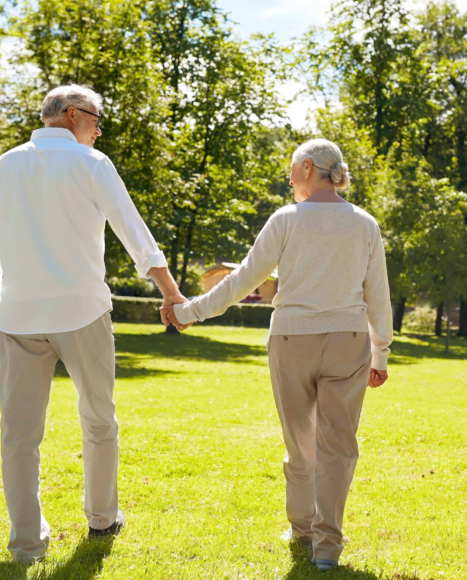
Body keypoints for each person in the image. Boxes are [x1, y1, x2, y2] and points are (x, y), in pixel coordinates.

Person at [0, 84, 186, 564]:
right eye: (95, 118)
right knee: (98, 419)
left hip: (20, 315)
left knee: (18, 433)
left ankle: (26, 545)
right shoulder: (93, 164)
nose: (98, 128)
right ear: (71, 114)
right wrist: (171, 293)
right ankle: (101, 519)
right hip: (82, 312)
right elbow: (134, 232)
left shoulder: (3, 165)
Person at [163, 138, 393, 572]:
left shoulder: (286, 219)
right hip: (348, 341)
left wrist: (190, 311)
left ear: (308, 168)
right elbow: (377, 295)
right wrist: (380, 352)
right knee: (338, 446)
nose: (288, 180)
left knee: (301, 444)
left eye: (291, 170)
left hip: (292, 342)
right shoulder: (365, 224)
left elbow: (243, 279)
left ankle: (302, 528)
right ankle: (327, 547)